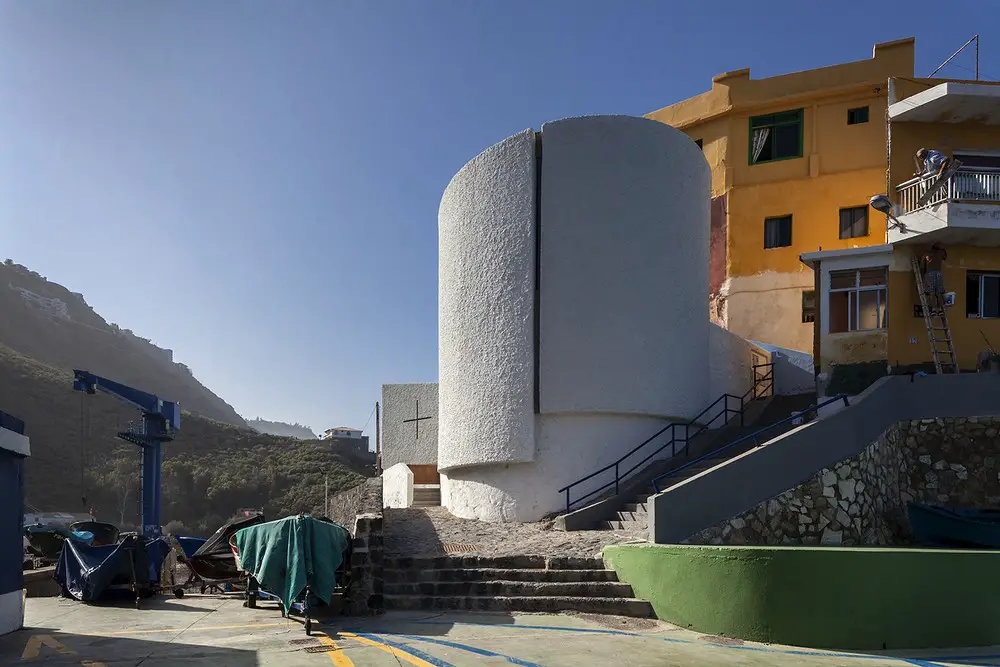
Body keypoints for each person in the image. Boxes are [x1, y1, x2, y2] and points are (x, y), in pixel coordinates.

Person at [922, 242, 948, 315]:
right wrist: (942, 249)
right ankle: (940, 309)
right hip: (938, 274)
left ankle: (933, 309)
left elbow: (922, 264)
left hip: (929, 274)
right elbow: (945, 256)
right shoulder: (940, 253)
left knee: (931, 293)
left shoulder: (927, 253)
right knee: (939, 293)